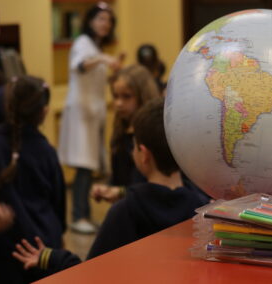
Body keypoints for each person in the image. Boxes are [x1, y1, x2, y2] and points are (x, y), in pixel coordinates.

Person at [12, 98, 210, 274]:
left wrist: (51, 257)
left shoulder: (124, 213)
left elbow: (90, 274)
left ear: (143, 154)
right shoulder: (204, 211)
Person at [0, 75, 66, 284]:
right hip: (42, 248)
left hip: (5, 250)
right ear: (44, 112)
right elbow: (58, 203)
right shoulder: (47, 152)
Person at [58, 2, 124, 234]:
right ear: (90, 21)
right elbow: (81, 65)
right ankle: (78, 216)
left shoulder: (94, 47)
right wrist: (106, 59)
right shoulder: (83, 43)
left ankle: (83, 214)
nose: (105, 24)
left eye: (109, 20)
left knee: (87, 167)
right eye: (101, 19)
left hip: (92, 113)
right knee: (83, 167)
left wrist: (112, 68)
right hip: (81, 114)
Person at [91, 64, 160, 203]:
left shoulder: (153, 133)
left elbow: (153, 186)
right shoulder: (121, 128)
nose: (118, 103)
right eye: (115, 96)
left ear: (143, 96)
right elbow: (120, 175)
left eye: (126, 97)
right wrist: (108, 188)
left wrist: (122, 192)